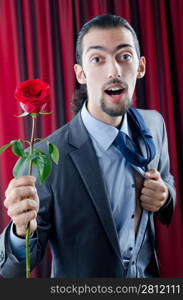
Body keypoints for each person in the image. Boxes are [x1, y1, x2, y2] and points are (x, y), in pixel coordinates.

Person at [0, 14, 175, 278]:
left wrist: (165, 196)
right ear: (81, 73)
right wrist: (19, 232)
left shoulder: (155, 124)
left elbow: (168, 181)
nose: (114, 71)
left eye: (124, 56)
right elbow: (15, 267)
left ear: (140, 67)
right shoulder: (46, 156)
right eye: (97, 59)